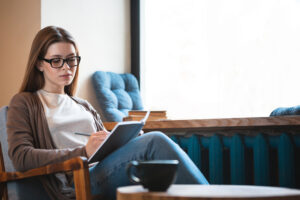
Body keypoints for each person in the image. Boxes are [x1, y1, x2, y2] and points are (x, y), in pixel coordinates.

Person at [6, 26, 208, 200]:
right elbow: (21, 157)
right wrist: (83, 152)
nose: (67, 67)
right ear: (39, 63)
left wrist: (126, 140)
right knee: (155, 141)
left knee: (151, 146)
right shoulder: (25, 102)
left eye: (71, 59)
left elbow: (105, 146)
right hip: (76, 181)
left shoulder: (83, 105)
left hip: (102, 170)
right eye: (56, 60)